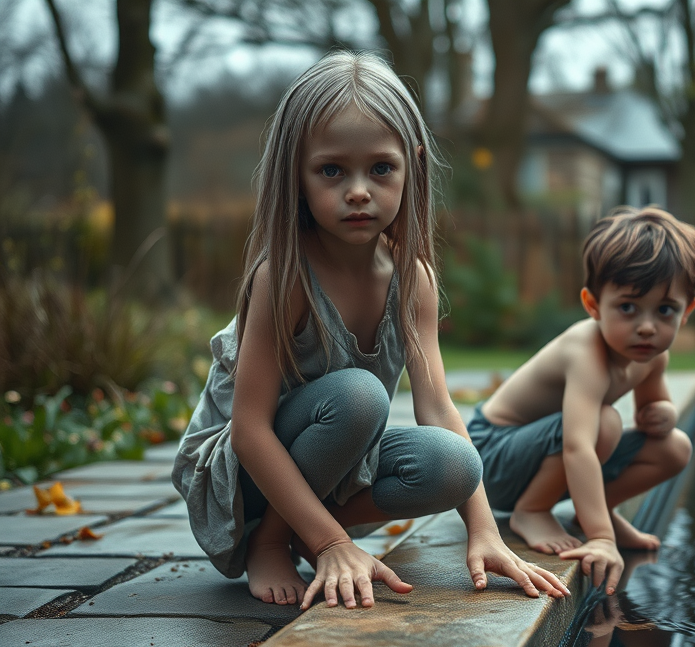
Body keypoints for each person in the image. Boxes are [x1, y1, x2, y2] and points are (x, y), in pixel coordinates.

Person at [172, 51, 568, 611]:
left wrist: (485, 531)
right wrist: (334, 544)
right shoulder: (285, 276)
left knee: (455, 463)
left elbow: (438, 408)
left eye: (381, 169)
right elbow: (249, 431)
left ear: (412, 165)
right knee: (360, 396)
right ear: (295, 173)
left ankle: (308, 532)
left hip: (332, 462)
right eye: (332, 170)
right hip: (239, 479)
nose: (358, 191)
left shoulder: (412, 278)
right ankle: (274, 542)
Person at [468, 206, 695, 595]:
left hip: (542, 458)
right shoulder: (586, 350)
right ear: (593, 305)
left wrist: (661, 413)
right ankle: (533, 511)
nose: (647, 327)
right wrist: (602, 540)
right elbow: (578, 445)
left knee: (675, 447)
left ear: (687, 311)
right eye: (627, 308)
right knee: (605, 423)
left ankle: (594, 512)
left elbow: (651, 413)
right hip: (490, 458)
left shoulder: (652, 357)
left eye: (665, 310)